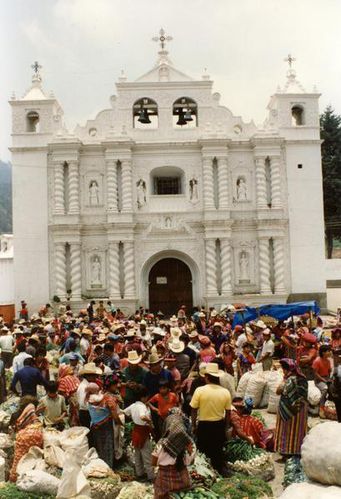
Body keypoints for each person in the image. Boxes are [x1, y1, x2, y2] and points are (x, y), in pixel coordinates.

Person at [190, 362, 231, 476]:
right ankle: (218, 473)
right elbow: (228, 413)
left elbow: (193, 410)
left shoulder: (199, 390)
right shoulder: (225, 392)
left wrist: (193, 425)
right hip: (219, 425)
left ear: (207, 377)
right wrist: (226, 427)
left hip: (204, 426)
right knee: (217, 451)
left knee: (203, 452)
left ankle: (204, 475)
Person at [152, 408, 195, 499]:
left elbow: (153, 462)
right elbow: (191, 462)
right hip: (183, 480)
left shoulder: (161, 444)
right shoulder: (189, 444)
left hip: (164, 481)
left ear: (167, 425)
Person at [274, 358, 308, 458]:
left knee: (287, 429)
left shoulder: (289, 379)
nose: (283, 371)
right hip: (301, 408)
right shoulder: (303, 378)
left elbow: (278, 391)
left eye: (284, 368)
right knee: (298, 429)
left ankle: (287, 451)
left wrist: (284, 379)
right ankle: (297, 450)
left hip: (289, 408)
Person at [87, 381, 122, 468]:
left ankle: (99, 465)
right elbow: (114, 413)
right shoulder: (107, 398)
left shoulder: (88, 398)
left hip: (94, 425)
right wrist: (119, 422)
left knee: (98, 445)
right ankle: (107, 466)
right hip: (105, 425)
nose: (117, 386)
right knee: (107, 446)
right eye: (115, 385)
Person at [124, 386, 154, 482]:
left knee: (137, 455)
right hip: (143, 432)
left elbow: (124, 412)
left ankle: (139, 473)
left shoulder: (133, 405)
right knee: (147, 455)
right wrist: (150, 422)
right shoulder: (142, 406)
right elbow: (142, 416)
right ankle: (151, 476)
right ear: (143, 397)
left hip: (136, 431)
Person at [9, 398, 43, 482]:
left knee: (17, 462)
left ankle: (14, 478)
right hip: (24, 444)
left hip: (18, 442)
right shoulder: (35, 429)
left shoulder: (18, 417)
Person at [312, 344, 332, 416]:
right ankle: (321, 407)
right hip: (319, 380)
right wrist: (324, 380)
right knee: (325, 389)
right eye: (328, 351)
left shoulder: (328, 361)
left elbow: (329, 371)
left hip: (326, 378)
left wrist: (329, 379)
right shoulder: (317, 361)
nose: (330, 352)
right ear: (323, 352)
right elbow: (315, 374)